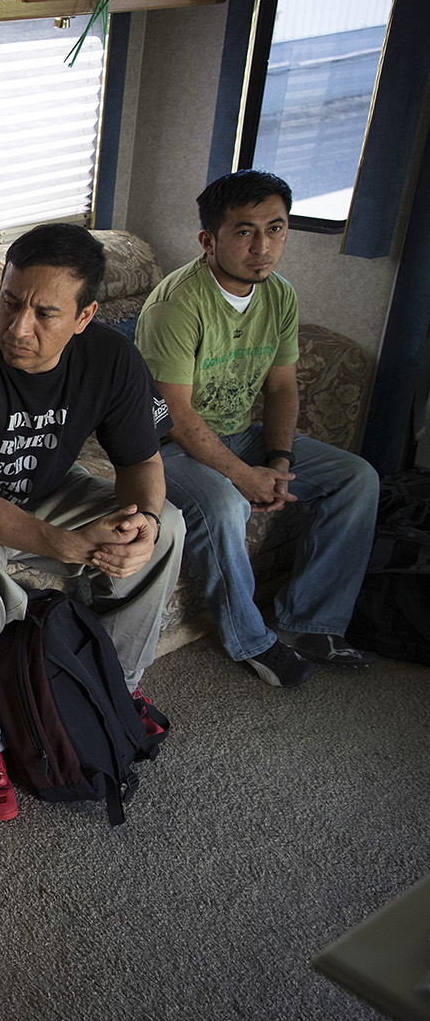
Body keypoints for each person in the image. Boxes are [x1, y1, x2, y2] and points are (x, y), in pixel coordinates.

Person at [0, 224, 184, 822]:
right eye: (10, 302)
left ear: (85, 317)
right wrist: (67, 545)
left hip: (49, 491)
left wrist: (147, 525)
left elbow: (141, 461)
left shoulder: (112, 358)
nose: (18, 327)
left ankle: (117, 684)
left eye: (44, 313)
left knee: (172, 527)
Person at [135, 170, 379, 688]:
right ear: (209, 239)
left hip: (237, 433)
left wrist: (279, 460)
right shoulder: (176, 305)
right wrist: (244, 478)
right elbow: (175, 417)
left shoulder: (280, 295)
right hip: (163, 446)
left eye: (276, 228)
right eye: (245, 231)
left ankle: (311, 622)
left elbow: (281, 388)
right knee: (224, 505)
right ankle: (251, 640)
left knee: (357, 478)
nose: (263, 247)